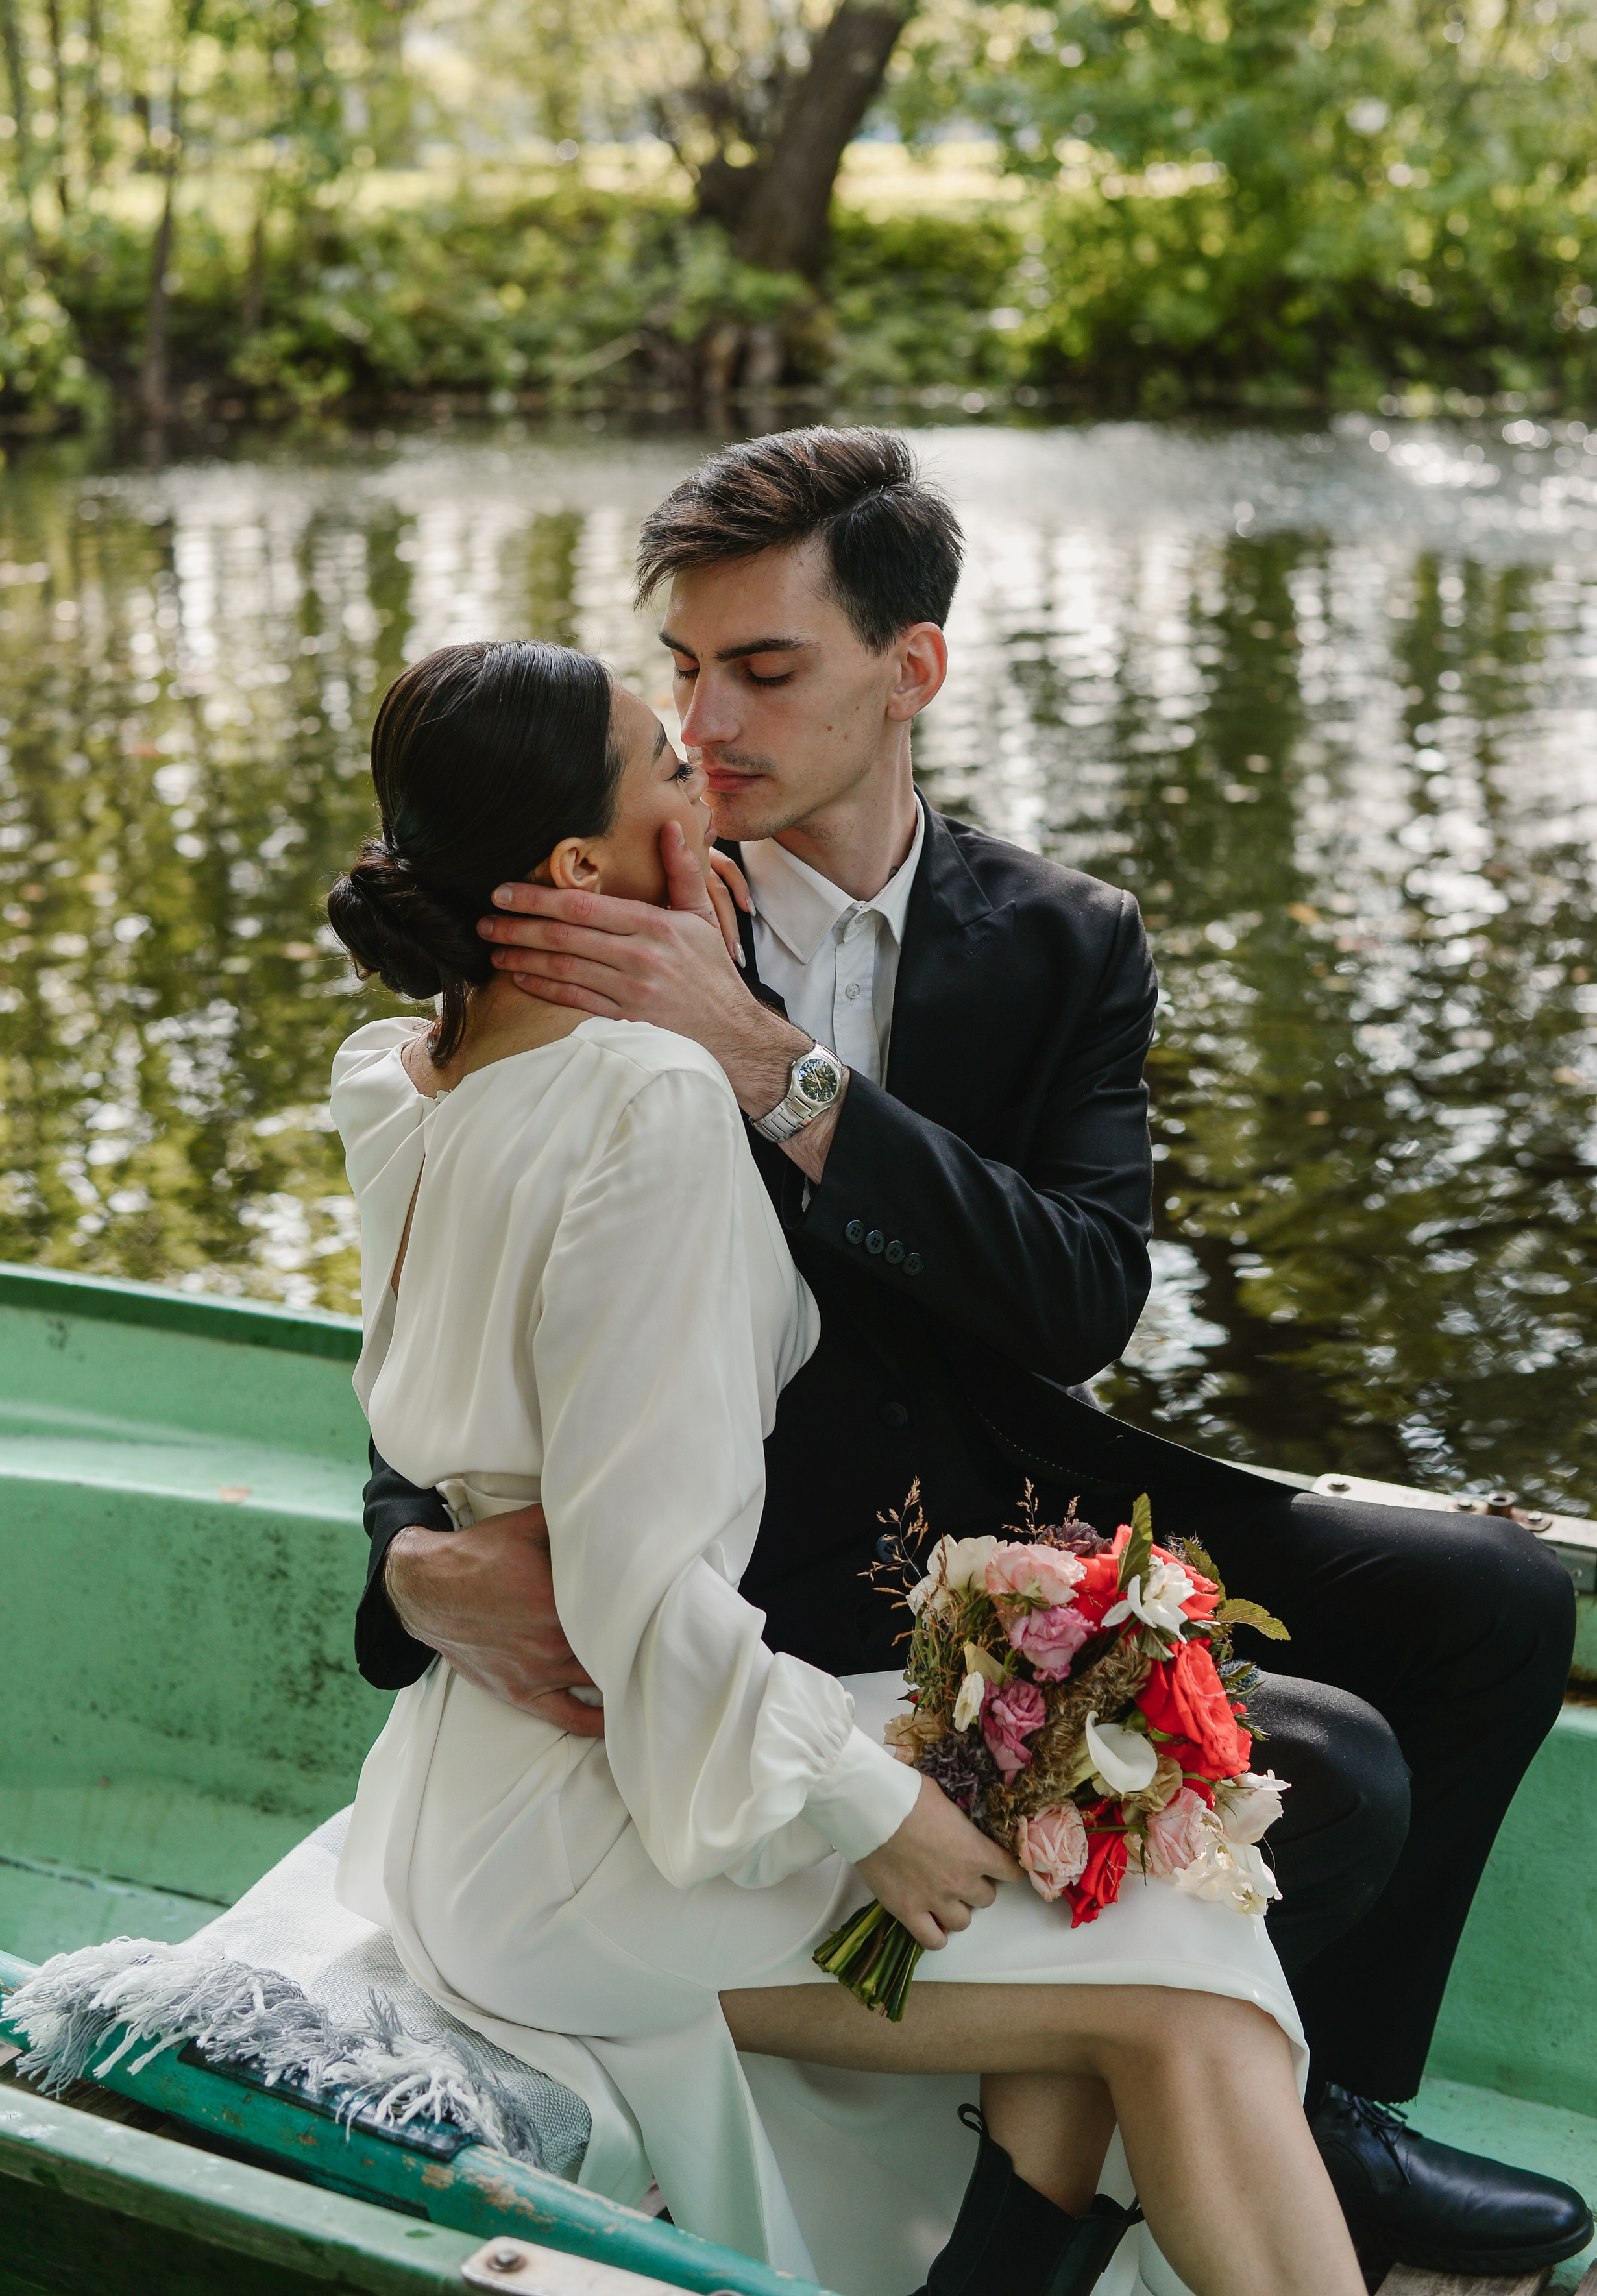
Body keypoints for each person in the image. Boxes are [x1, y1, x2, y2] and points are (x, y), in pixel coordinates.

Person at [355, 430, 1590, 2284]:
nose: (704, 722)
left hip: (1010, 1494)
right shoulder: (589, 925)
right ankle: (1129, 2144)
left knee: (1490, 1595)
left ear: (909, 667)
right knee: (1316, 1774)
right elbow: (475, 1284)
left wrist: (779, 1066)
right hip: (767, 1569)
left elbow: (1083, 1294)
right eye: (682, 670)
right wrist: (410, 1556)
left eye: (762, 669)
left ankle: (1341, 2110)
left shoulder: (1066, 939)